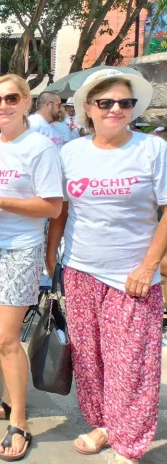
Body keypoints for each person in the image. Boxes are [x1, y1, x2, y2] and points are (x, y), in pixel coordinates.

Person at [47, 69, 167, 464]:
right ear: (88, 109)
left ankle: (130, 444)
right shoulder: (70, 153)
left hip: (131, 276)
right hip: (80, 269)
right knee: (89, 357)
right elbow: (61, 212)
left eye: (125, 103)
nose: (116, 109)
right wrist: (53, 258)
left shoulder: (152, 150)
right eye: (106, 103)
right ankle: (105, 425)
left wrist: (149, 266)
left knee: (131, 361)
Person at [0, 74, 63, 461]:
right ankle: (7, 400)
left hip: (19, 250)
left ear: (26, 102)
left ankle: (19, 421)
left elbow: (53, 206)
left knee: (7, 338)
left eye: (10, 98)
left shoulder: (39, 148)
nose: (2, 105)